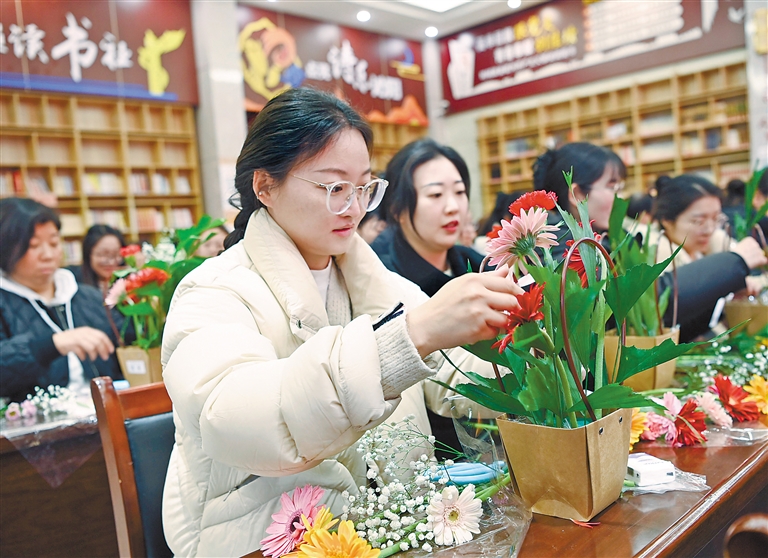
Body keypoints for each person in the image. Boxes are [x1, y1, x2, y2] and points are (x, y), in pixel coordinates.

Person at [160, 89, 522, 557]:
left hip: (381, 529)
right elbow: (238, 419)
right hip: (262, 537)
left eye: (363, 188)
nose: (353, 207)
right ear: (265, 186)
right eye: (333, 188)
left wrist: (534, 339)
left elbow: (460, 379)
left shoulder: (375, 281)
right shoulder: (212, 291)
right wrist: (411, 337)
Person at [533, 144, 767, 341]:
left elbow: (654, 323)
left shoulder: (603, 239)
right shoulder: (552, 243)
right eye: (612, 187)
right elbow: (642, 303)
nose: (620, 197)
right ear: (578, 194)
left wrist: (725, 287)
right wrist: (734, 262)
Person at [0, 199, 124, 402]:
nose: (48, 255)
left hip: (105, 412)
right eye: (33, 246)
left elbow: (127, 343)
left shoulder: (87, 296)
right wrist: (52, 344)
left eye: (54, 243)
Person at [371, 138, 486, 297]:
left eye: (459, 191)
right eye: (436, 194)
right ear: (397, 209)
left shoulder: (479, 266)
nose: (453, 207)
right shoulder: (382, 279)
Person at [69, 224, 126, 295]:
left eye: (116, 254)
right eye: (103, 254)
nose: (111, 262)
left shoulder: (129, 279)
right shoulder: (73, 282)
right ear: (88, 254)